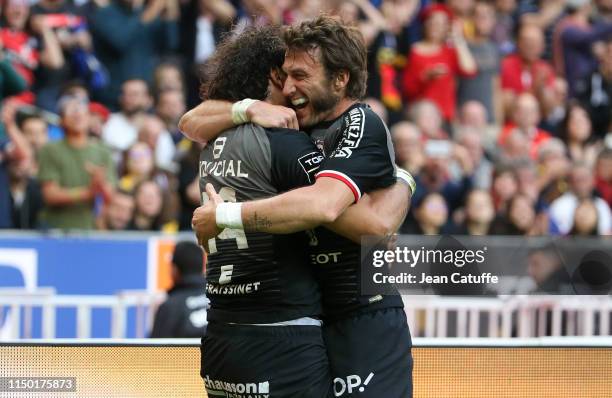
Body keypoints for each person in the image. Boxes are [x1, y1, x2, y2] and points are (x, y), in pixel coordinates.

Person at [189, 16, 414, 397]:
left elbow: (364, 223)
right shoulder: (292, 127)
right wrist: (248, 108)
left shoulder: (360, 122)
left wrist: (404, 180)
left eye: (299, 76)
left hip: (364, 310)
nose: (291, 89)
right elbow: (189, 120)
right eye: (283, 79)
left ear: (339, 79)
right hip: (316, 313)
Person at [37, 95, 116, 229]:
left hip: (91, 229)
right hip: (56, 229)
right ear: (61, 120)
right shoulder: (50, 149)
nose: (77, 114)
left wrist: (100, 182)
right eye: (71, 111)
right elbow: (50, 195)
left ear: (89, 118)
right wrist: (87, 193)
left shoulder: (103, 151)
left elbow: (110, 197)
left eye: (81, 111)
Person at [150, 241, 208, 338]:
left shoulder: (169, 307)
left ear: (175, 269)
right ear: (203, 268)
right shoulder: (220, 300)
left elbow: (154, 352)